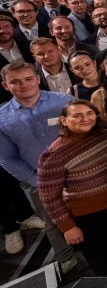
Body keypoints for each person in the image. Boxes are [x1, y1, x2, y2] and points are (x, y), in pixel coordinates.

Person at [37, 100, 107, 275]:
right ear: (64, 119)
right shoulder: (54, 154)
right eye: (77, 115)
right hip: (91, 219)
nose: (85, 119)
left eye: (90, 114)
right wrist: (67, 227)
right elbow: (48, 196)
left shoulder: (104, 134)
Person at [0, 62, 77, 272]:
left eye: (27, 79)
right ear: (5, 85)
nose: (23, 85)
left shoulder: (65, 102)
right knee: (52, 224)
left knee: (89, 215)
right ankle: (66, 259)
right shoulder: (1, 118)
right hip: (38, 182)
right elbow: (7, 158)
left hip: (78, 175)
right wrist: (40, 182)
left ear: (37, 79)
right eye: (15, 81)